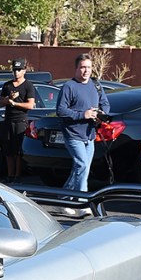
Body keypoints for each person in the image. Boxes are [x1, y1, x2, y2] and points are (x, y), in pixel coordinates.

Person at [56, 53, 110, 192]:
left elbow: (105, 103)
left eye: (88, 67)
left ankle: (65, 197)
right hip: (73, 134)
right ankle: (81, 201)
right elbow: (61, 110)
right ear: (76, 68)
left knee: (80, 168)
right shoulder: (69, 86)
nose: (86, 70)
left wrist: (101, 114)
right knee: (82, 166)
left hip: (89, 135)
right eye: (82, 67)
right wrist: (83, 115)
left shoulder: (96, 85)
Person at [0, 58, 36, 182]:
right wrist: (9, 99)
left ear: (24, 70)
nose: (16, 72)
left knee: (18, 150)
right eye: (14, 70)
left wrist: (15, 104)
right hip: (8, 119)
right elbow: (0, 103)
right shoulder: (7, 85)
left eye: (19, 70)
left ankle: (17, 176)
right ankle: (10, 175)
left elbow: (30, 105)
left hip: (20, 120)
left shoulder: (28, 86)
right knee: (8, 150)